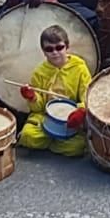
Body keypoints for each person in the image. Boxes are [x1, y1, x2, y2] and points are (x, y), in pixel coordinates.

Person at [17, 24, 91, 157]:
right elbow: (37, 108)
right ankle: (56, 142)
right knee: (28, 136)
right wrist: (32, 97)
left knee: (78, 146)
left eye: (59, 47)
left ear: (67, 47)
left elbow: (87, 95)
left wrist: (81, 110)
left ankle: (48, 143)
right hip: (45, 115)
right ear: (44, 51)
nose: (55, 52)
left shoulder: (80, 67)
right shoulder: (40, 72)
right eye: (49, 49)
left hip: (69, 117)